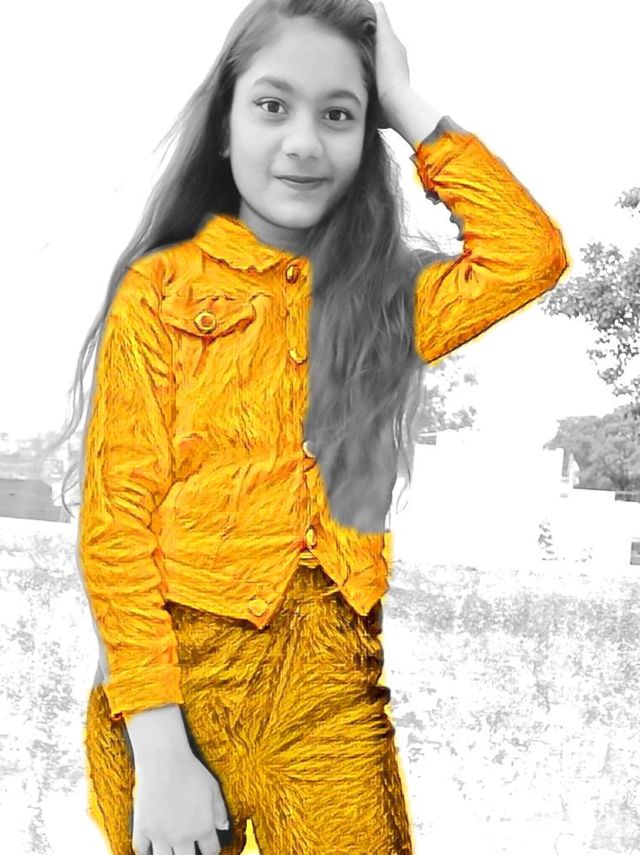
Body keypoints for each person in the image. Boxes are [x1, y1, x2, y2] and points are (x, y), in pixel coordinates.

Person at [43, 0, 568, 852]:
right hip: (173, 687)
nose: (303, 142)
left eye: (339, 115)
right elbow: (116, 523)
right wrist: (162, 751)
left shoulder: (390, 299)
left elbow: (528, 254)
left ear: (367, 139)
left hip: (331, 686)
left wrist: (405, 103)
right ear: (224, 125)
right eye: (272, 105)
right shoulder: (163, 289)